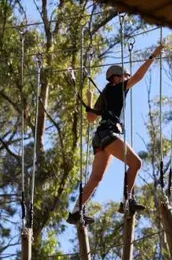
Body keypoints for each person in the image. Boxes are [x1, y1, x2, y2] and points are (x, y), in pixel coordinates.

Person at [67, 43, 164, 225]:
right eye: (124, 77)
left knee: (96, 179)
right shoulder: (118, 88)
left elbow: (89, 117)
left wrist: (89, 99)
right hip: (109, 134)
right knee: (136, 163)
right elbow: (138, 76)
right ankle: (127, 201)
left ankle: (75, 212)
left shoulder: (104, 93)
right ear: (116, 78)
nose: (127, 80)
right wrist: (153, 56)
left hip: (100, 137)